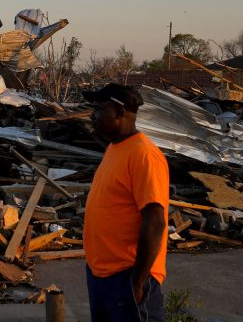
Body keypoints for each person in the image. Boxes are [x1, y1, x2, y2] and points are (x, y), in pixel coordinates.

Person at [82, 83, 169, 322]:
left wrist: (138, 283)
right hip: (102, 276)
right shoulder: (115, 148)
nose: (93, 115)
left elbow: (155, 223)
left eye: (99, 109)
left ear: (120, 112)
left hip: (127, 277)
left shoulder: (143, 155)